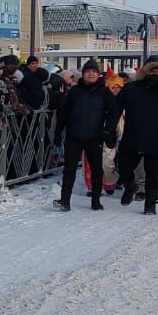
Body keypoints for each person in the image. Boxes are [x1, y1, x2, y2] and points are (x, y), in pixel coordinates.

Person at [108, 59, 158, 215]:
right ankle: (130, 187)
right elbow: (116, 109)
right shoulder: (131, 88)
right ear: (145, 72)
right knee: (124, 167)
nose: (155, 75)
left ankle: (150, 203)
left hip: (155, 136)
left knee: (153, 172)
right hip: (133, 134)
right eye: (152, 72)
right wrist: (109, 130)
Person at [53, 60, 114, 212]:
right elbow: (63, 113)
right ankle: (65, 200)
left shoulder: (104, 92)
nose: (91, 74)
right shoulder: (74, 91)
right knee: (69, 169)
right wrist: (58, 133)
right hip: (74, 136)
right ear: (84, 74)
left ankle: (96, 200)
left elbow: (114, 112)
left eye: (94, 71)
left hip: (95, 136)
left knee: (96, 169)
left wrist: (108, 130)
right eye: (88, 71)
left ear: (98, 74)